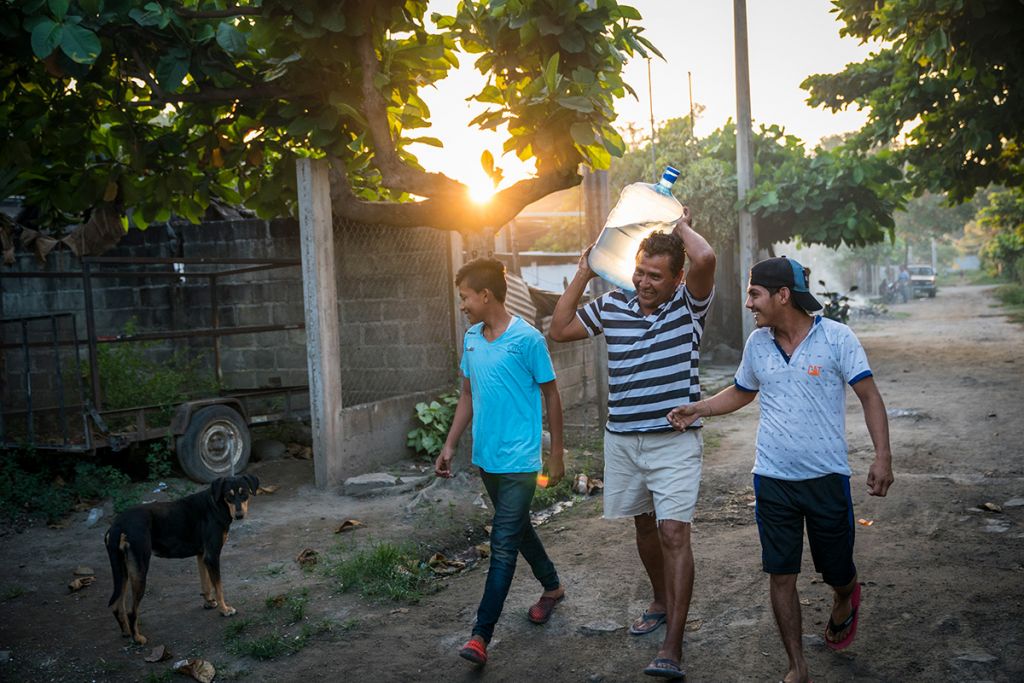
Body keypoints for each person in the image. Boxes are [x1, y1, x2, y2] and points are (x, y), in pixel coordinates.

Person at [667, 256, 895, 683]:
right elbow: (742, 391)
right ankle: (797, 666)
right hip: (772, 480)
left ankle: (845, 597)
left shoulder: (836, 338)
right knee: (781, 573)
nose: (749, 303)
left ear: (782, 295)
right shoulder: (757, 345)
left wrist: (882, 456)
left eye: (755, 294)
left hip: (826, 479)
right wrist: (699, 407)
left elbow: (869, 395)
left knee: (838, 570)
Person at [549, 207, 716, 680]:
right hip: (622, 439)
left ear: (677, 278)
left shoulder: (690, 305)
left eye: (655, 276)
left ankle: (672, 646)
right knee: (644, 528)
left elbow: (706, 257)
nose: (643, 282)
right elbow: (558, 330)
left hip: (674, 442)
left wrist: (679, 222)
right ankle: (660, 600)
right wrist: (585, 270)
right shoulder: (613, 302)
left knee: (673, 534)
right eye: (639, 271)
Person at [434, 257, 566, 667]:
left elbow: (552, 395)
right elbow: (468, 396)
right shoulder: (472, 339)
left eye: (465, 298)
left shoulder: (528, 340)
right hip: (486, 461)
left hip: (521, 463)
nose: (463, 306)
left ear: (485, 295)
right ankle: (552, 587)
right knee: (518, 529)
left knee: (503, 544)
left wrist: (556, 453)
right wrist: (450, 445)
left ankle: (480, 635)